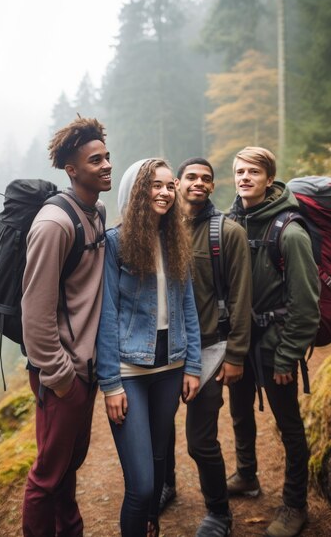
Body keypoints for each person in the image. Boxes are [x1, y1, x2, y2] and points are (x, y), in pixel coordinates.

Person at [96, 158, 201, 537]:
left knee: (158, 467)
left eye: (169, 186)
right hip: (130, 373)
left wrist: (193, 365)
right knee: (140, 486)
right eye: (155, 186)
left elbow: (187, 304)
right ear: (138, 192)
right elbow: (106, 314)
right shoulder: (115, 242)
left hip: (170, 370)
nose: (164, 192)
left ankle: (150, 525)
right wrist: (110, 384)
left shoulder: (175, 239)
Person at [21, 117, 112, 537]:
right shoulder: (54, 224)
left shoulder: (95, 212)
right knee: (46, 477)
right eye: (95, 160)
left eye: (107, 156)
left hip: (85, 370)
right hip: (63, 375)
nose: (107, 165)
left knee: (68, 467)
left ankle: (70, 530)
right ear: (71, 169)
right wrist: (60, 379)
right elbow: (35, 315)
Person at [227, 146, 320, 537]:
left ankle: (295, 505)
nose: (244, 178)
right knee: (239, 412)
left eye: (253, 172)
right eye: (239, 171)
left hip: (274, 344)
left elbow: (307, 304)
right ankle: (247, 475)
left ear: (269, 178)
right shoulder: (232, 220)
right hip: (240, 343)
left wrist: (286, 356)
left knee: (289, 426)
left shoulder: (290, 230)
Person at [162, 157, 253, 537]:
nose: (199, 183)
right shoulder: (158, 230)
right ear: (178, 183)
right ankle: (165, 485)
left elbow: (241, 297)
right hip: (164, 351)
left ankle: (219, 513)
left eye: (207, 179)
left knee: (201, 441)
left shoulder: (227, 232)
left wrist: (235, 355)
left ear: (212, 187)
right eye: (191, 177)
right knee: (159, 430)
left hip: (212, 351)